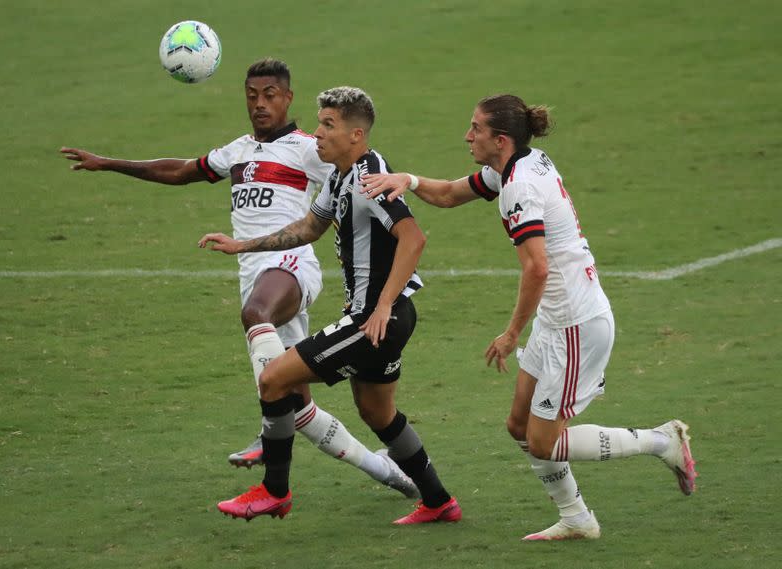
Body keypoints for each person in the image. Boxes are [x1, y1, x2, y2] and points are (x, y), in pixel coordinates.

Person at [59, 58, 417, 499]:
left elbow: (360, 170)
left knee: (255, 316)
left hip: (290, 268)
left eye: (270, 95)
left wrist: (405, 183)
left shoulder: (309, 148)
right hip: (254, 269)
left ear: (288, 98)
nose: (260, 104)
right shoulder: (238, 151)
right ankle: (388, 472)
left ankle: (270, 447)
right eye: (252, 96)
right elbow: (182, 170)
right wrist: (109, 163)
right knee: (297, 405)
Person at [360, 94, 698, 539]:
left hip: (575, 322)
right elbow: (448, 193)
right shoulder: (517, 165)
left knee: (544, 440)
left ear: (499, 139)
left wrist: (511, 332)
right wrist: (409, 178)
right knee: (519, 424)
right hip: (558, 320)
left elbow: (536, 267)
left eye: (475, 128)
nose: (467, 135)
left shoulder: (518, 186)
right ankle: (576, 517)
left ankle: (663, 441)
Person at [198, 86, 461, 525]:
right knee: (378, 412)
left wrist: (381, 306)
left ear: (356, 134)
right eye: (319, 122)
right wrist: (244, 243)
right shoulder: (340, 175)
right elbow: (309, 227)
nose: (316, 133)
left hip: (374, 320)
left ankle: (275, 491)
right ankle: (438, 501)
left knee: (274, 380)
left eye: (328, 125)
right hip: (387, 318)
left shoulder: (369, 177)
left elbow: (413, 238)